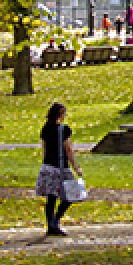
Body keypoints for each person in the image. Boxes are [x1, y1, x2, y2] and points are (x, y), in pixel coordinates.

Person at [35, 101, 82, 236]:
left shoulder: (45, 129)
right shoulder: (64, 129)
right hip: (61, 168)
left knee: (51, 198)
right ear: (61, 114)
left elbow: (44, 149)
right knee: (72, 194)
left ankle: (51, 224)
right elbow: (68, 149)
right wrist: (76, 167)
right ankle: (54, 221)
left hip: (47, 167)